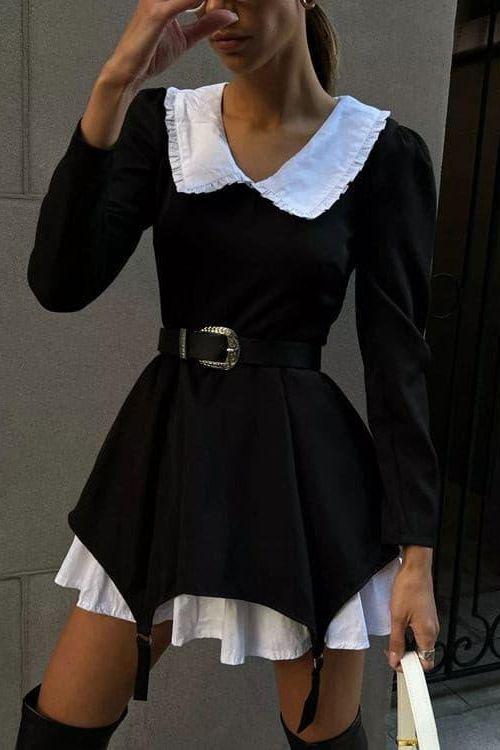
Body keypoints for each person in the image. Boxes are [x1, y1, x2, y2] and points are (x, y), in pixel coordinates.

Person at [15, 0, 441, 748]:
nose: (224, 14)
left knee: (326, 739)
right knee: (58, 732)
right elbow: (59, 282)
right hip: (166, 449)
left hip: (299, 473)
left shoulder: (380, 151)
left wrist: (418, 556)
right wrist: (115, 83)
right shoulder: (163, 123)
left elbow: (398, 361)